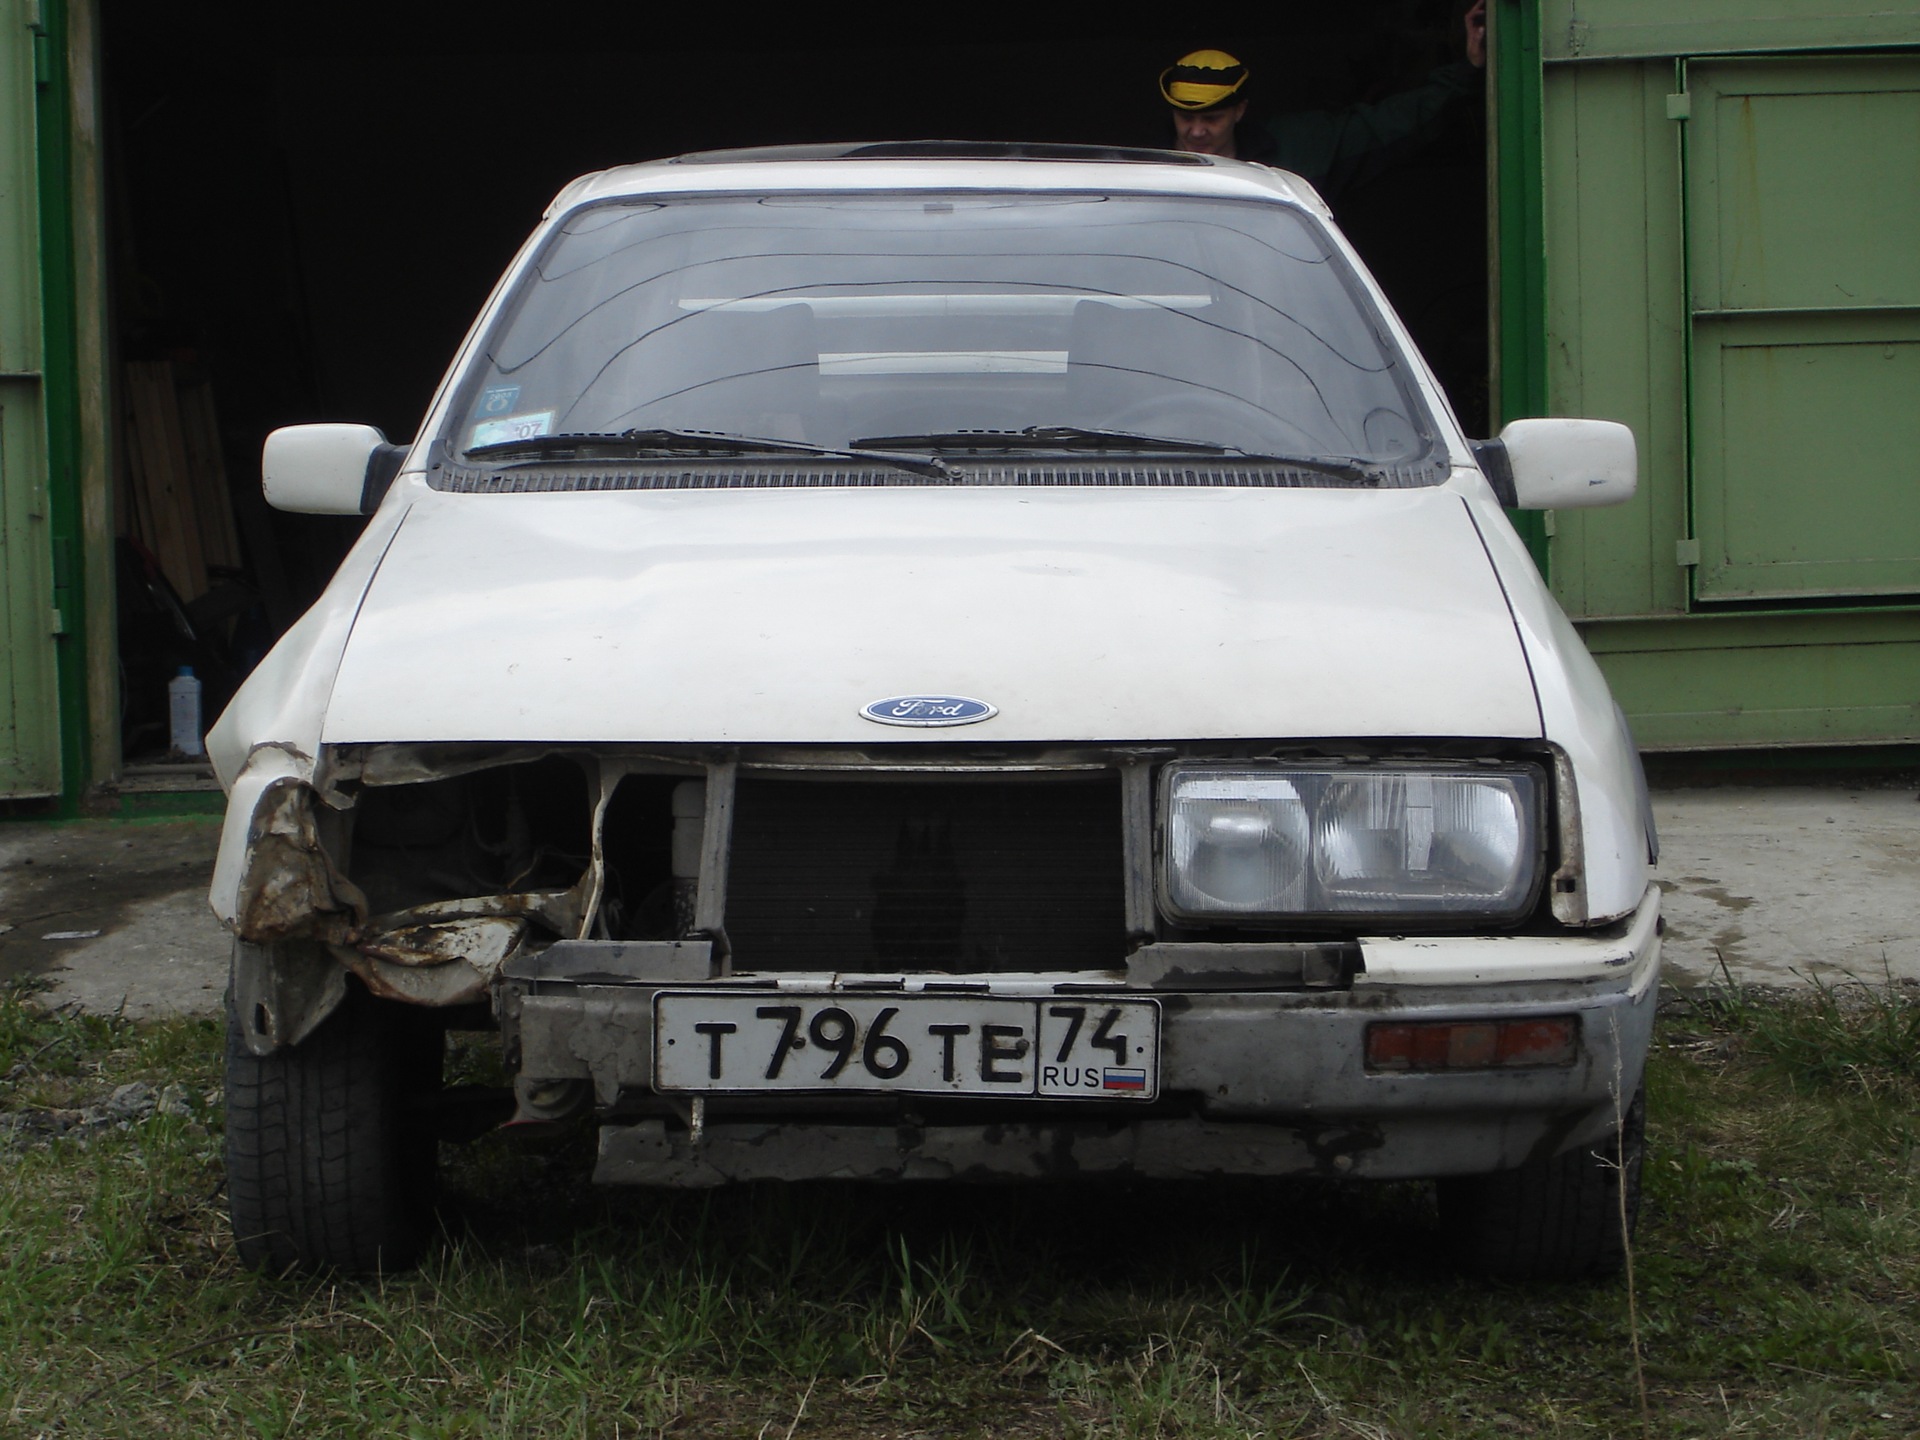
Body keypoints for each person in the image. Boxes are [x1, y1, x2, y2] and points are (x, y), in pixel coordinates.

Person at [1160, 0, 1486, 197]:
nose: (1197, 131)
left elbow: (1389, 124)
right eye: (1185, 117)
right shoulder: (1147, 171)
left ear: (1240, 111)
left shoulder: (1299, 149)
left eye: (1211, 118)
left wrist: (1466, 71)